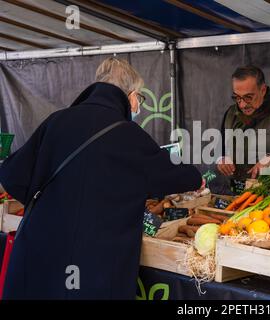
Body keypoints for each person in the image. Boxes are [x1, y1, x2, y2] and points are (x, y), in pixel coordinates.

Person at [0, 58, 202, 300]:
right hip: (96, 268)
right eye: (140, 99)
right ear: (131, 95)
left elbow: (12, 176)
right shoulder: (129, 135)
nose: (138, 106)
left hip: (39, 255)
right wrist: (196, 176)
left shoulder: (56, 121)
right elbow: (177, 175)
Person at [216, 65, 270, 193]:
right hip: (235, 194)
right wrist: (221, 159)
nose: (243, 104)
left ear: (263, 90)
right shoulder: (230, 114)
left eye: (248, 97)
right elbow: (220, 148)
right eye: (237, 97)